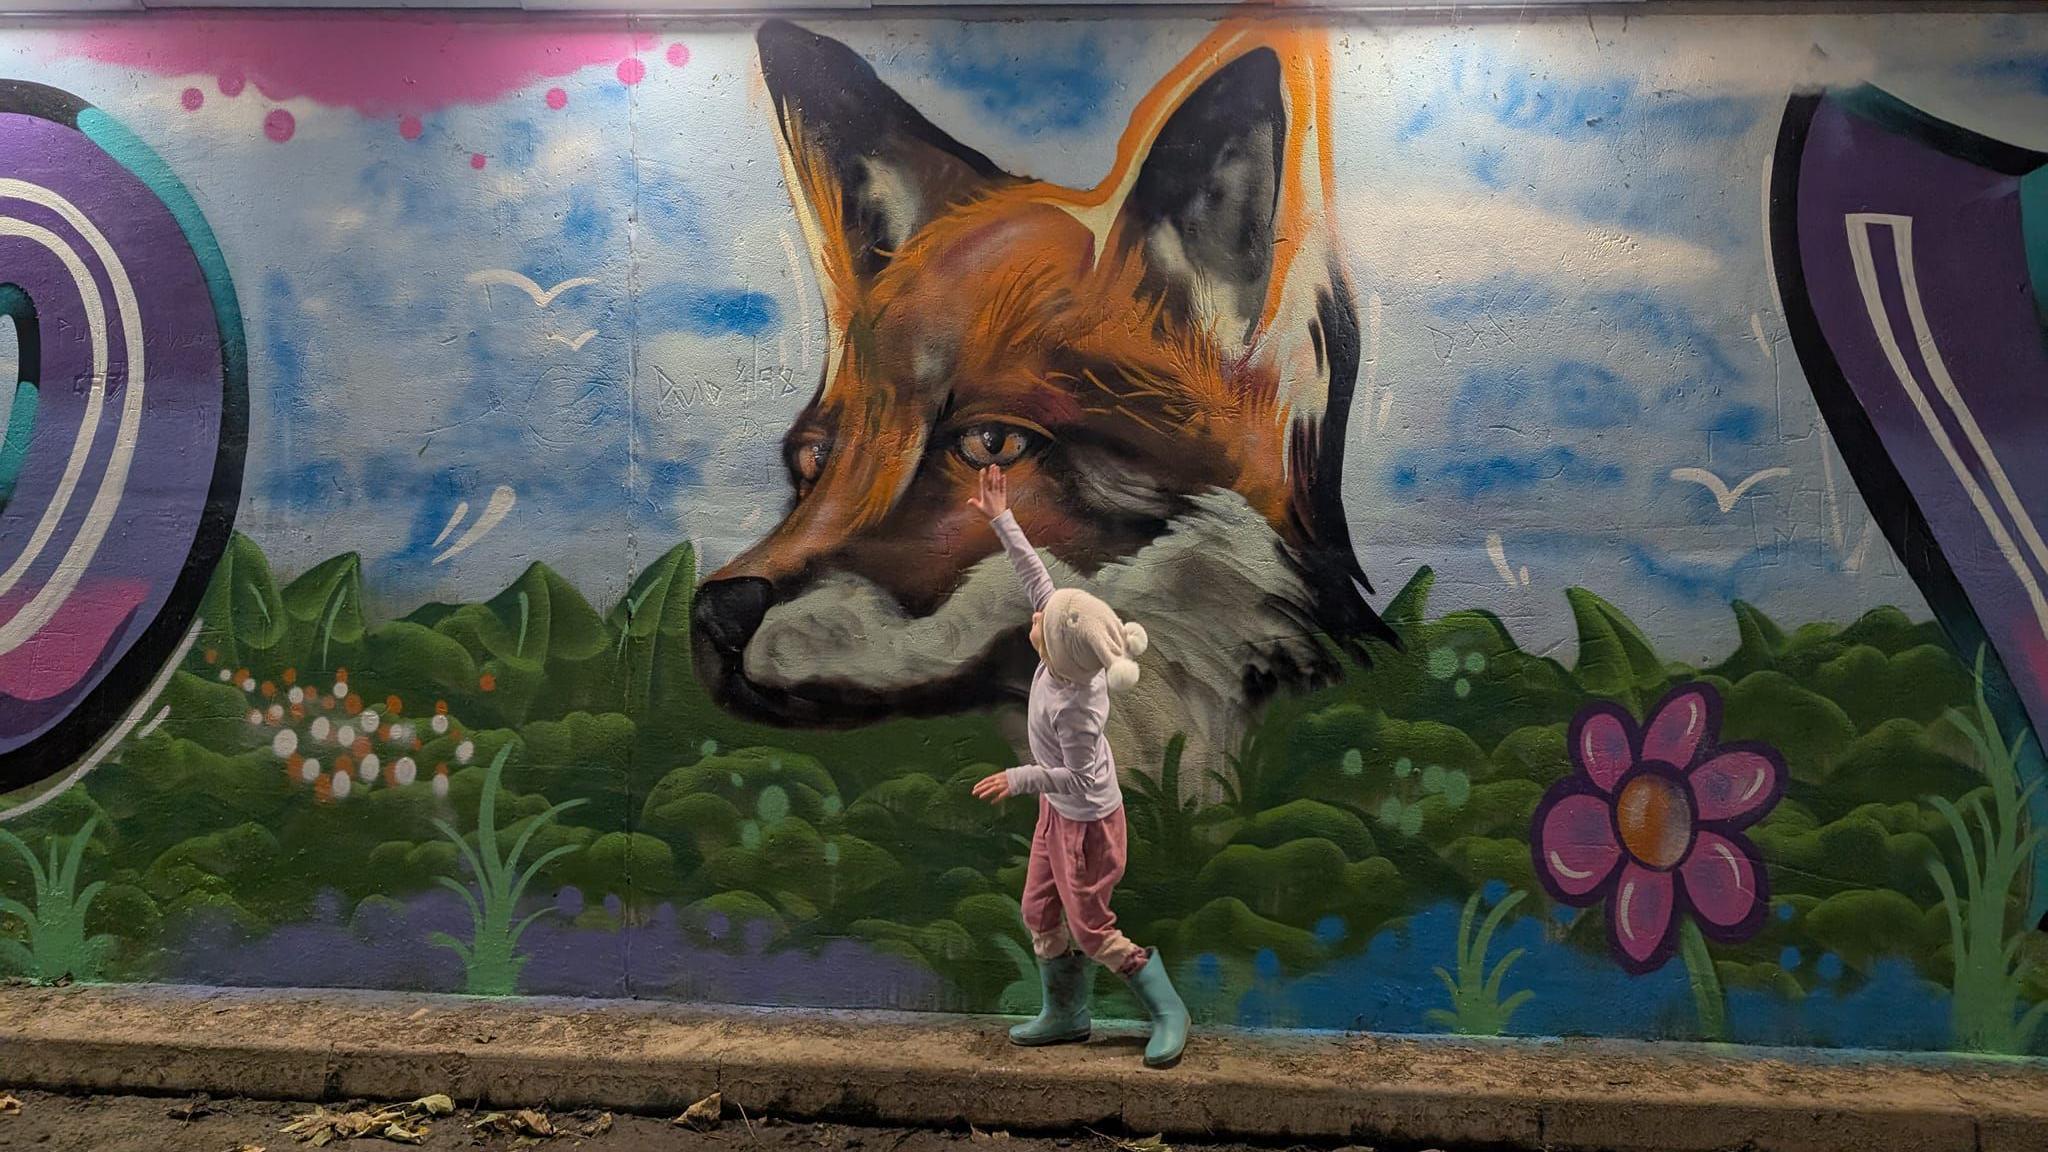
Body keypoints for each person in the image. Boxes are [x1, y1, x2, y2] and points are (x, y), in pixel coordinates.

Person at [967, 463, 1189, 1069]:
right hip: (1056, 814)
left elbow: (1078, 778)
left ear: (1062, 654)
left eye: (1043, 623)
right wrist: (1002, 518)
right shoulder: (1064, 642)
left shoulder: (1077, 708)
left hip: (1087, 825)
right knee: (1038, 908)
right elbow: (1040, 581)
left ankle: (1168, 1009)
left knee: (1091, 929)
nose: (1034, 617)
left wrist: (1019, 778)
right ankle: (1066, 1014)